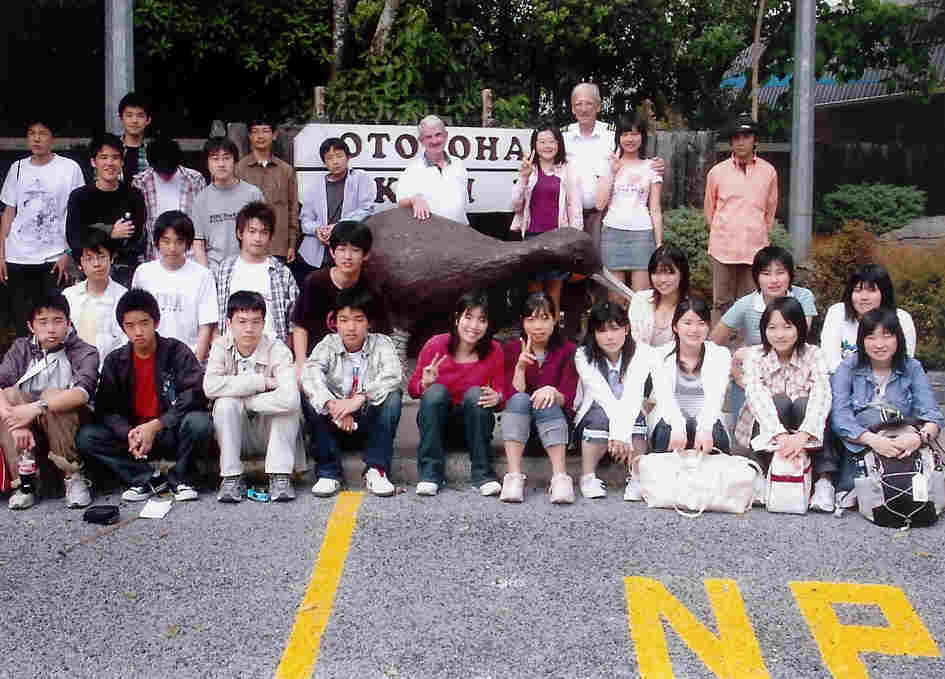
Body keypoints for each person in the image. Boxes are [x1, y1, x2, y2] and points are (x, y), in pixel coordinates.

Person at [78, 288, 211, 502]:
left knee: (200, 422)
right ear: (123, 328)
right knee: (87, 437)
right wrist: (130, 432)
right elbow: (105, 409)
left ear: (156, 322)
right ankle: (145, 479)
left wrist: (156, 425)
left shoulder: (177, 351)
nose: (138, 331)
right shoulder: (115, 361)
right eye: (130, 326)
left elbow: (194, 395)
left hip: (170, 430)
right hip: (135, 437)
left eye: (144, 323)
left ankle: (181, 478)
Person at [830, 308, 944, 510]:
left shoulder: (912, 367)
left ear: (898, 338)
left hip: (904, 443)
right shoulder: (848, 367)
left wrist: (918, 438)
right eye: (871, 337)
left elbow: (932, 415)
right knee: (869, 416)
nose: (879, 344)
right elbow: (840, 418)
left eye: (887, 336)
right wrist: (874, 441)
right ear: (861, 341)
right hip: (861, 445)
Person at [0, 293, 99, 510]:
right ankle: (24, 483)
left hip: (70, 422)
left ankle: (73, 476)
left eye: (57, 321)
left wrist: (36, 408)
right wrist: (16, 423)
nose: (51, 329)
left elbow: (82, 393)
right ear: (31, 326)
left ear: (68, 323)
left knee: (54, 396)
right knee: (9, 395)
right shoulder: (21, 348)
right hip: (28, 424)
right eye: (43, 322)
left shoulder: (84, 351)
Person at [204, 291, 302, 504]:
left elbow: (290, 398)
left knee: (288, 409)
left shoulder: (277, 349)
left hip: (269, 433)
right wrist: (262, 383)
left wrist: (246, 401)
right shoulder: (220, 346)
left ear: (264, 324)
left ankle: (280, 475)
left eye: (256, 322)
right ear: (229, 323)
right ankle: (231, 477)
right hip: (236, 432)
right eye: (242, 321)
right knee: (225, 405)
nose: (249, 328)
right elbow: (210, 387)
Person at [304, 288, 402, 498]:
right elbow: (310, 373)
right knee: (310, 396)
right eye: (344, 320)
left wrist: (359, 398)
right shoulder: (328, 344)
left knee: (393, 395)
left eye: (358, 319)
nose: (351, 327)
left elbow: (393, 374)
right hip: (334, 423)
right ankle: (328, 472)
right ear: (335, 323)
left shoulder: (382, 343)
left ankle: (376, 469)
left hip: (368, 423)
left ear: (369, 322)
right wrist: (332, 405)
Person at [734, 297, 831, 503]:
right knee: (779, 401)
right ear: (764, 329)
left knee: (804, 403)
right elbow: (756, 396)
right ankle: (761, 472)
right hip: (768, 429)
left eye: (787, 327)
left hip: (806, 430)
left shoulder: (814, 354)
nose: (779, 335)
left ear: (799, 327)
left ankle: (824, 481)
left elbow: (822, 394)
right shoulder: (755, 356)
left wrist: (804, 434)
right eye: (772, 327)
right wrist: (780, 435)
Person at [408, 290, 504, 496]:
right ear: (457, 318)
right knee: (435, 392)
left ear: (488, 325)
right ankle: (430, 474)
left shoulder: (494, 350)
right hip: (437, 429)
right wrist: (424, 384)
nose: (474, 326)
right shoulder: (436, 345)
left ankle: (483, 475)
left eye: (482, 320)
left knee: (476, 394)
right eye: (468, 317)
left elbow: (500, 394)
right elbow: (412, 390)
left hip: (475, 428)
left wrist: (498, 397)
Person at [710, 246, 817, 418]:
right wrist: (734, 368)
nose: (774, 280)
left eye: (780, 272)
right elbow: (713, 342)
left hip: (794, 374)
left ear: (790, 275)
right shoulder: (746, 304)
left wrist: (750, 352)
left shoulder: (802, 297)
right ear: (756, 277)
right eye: (766, 274)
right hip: (753, 376)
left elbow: (797, 338)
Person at [1, 118, 85, 336]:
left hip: (54, 257)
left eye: (42, 133)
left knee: (53, 321)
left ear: (53, 138)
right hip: (18, 256)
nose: (36, 138)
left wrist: (68, 252)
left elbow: (77, 214)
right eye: (32, 133)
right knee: (23, 322)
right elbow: (8, 213)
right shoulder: (17, 168)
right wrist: (2, 255)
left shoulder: (69, 168)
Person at [574, 300, 659, 500]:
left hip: (630, 412)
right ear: (593, 334)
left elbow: (632, 395)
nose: (609, 337)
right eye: (602, 331)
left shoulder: (642, 352)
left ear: (626, 329)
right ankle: (588, 476)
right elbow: (602, 395)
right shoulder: (583, 355)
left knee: (637, 416)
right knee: (600, 415)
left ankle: (637, 476)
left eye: (615, 328)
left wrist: (621, 433)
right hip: (594, 414)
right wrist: (620, 433)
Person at [499, 292, 578, 504]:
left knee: (546, 399)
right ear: (523, 321)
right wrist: (520, 368)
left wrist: (552, 392)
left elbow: (570, 398)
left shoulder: (568, 350)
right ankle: (513, 477)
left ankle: (560, 478)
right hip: (521, 435)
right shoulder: (512, 349)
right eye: (531, 319)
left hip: (557, 431)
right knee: (519, 400)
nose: (538, 326)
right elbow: (509, 398)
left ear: (555, 320)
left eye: (544, 318)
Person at [704, 113, 779, 324]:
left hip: (754, 249)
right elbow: (709, 210)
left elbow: (770, 210)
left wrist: (760, 235)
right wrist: (721, 234)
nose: (741, 142)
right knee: (721, 302)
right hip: (723, 249)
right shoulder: (717, 172)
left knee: (751, 302)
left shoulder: (769, 172)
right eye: (736, 137)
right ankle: (718, 343)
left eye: (746, 137)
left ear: (754, 139)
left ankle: (747, 343)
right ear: (731, 141)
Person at [510, 123, 582, 315]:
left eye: (551, 141)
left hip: (558, 240)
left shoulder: (567, 170)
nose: (547, 146)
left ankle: (554, 330)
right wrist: (523, 178)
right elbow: (515, 205)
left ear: (559, 144)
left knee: (554, 293)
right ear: (534, 145)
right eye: (542, 142)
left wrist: (574, 240)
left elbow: (575, 207)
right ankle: (534, 330)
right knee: (534, 295)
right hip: (532, 238)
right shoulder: (529, 169)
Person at [648, 298, 732, 457]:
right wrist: (678, 426)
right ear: (675, 326)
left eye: (701, 323)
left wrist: (704, 428)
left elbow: (715, 398)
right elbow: (664, 397)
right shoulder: (659, 355)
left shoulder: (720, 355)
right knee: (667, 432)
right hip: (670, 417)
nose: (694, 329)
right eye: (687, 323)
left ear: (708, 327)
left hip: (707, 418)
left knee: (714, 434)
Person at [291, 220, 375, 376]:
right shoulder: (314, 282)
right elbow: (300, 326)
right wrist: (301, 364)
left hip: (358, 363)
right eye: (341, 249)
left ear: (366, 254)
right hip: (316, 361)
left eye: (355, 250)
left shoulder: (372, 285)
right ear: (331, 251)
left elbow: (380, 333)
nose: (347, 257)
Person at [131, 211, 218, 362]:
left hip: (187, 358)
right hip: (150, 357)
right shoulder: (143, 273)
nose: (172, 248)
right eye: (166, 241)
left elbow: (206, 326)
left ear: (187, 243)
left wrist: (195, 365)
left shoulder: (203, 276)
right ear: (157, 242)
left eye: (179, 241)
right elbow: (135, 318)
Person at [65, 132, 147, 287]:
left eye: (115, 157)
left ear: (122, 162)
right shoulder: (79, 197)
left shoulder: (134, 196)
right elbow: (74, 238)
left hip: (124, 271)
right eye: (103, 157)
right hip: (88, 270)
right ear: (93, 162)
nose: (109, 163)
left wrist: (93, 232)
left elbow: (135, 239)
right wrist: (110, 232)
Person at [596, 112, 664, 292]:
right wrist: (612, 172)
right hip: (612, 232)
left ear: (642, 137)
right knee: (616, 298)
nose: (630, 139)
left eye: (634, 134)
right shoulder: (609, 164)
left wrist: (659, 244)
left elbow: (655, 209)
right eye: (625, 134)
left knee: (641, 296)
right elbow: (600, 204)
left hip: (642, 234)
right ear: (618, 137)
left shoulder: (652, 167)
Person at [214, 201, 298, 345]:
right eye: (252, 231)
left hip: (272, 349)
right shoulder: (224, 270)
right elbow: (214, 318)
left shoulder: (282, 273)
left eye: (263, 232)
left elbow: (293, 322)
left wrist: (287, 352)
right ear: (240, 233)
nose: (257, 238)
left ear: (270, 236)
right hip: (231, 349)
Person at [297, 138, 376, 284]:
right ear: (324, 162)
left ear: (348, 157)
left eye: (339, 156)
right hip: (316, 255)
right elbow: (305, 220)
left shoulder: (360, 178)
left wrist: (338, 227)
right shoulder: (315, 186)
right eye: (329, 158)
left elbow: (367, 208)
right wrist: (317, 230)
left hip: (348, 251)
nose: (335, 161)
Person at [820, 264, 917, 373]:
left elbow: (905, 362)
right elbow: (831, 361)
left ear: (884, 293)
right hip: (843, 380)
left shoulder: (902, 318)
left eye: (871, 290)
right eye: (857, 290)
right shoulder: (838, 312)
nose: (864, 297)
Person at [192, 137, 264, 271]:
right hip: (215, 270)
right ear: (207, 163)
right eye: (215, 159)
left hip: (247, 268)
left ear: (235, 161)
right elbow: (198, 243)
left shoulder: (253, 194)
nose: (221, 164)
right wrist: (206, 275)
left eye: (226, 158)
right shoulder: (201, 200)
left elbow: (263, 235)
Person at [235, 118, 300, 265]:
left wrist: (291, 244)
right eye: (255, 131)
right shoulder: (238, 170)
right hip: (247, 247)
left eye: (265, 131)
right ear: (249, 136)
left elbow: (293, 208)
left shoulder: (286, 170)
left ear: (274, 135)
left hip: (278, 245)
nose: (260, 136)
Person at [131, 136, 206, 262]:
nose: (166, 176)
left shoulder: (195, 179)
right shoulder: (140, 183)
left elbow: (202, 222)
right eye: (161, 172)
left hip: (190, 256)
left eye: (170, 171)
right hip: (154, 256)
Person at [62, 231, 128, 366]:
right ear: (80, 263)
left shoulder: (124, 297)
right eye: (89, 259)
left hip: (111, 370)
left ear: (112, 258)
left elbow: (126, 342)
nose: (96, 264)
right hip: (73, 369)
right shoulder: (69, 296)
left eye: (102, 257)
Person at [396, 115, 469, 224]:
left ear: (446, 136)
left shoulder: (458, 164)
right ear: (421, 141)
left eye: (438, 135)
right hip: (429, 231)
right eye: (428, 137)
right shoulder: (413, 169)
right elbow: (400, 202)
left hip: (461, 228)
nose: (434, 141)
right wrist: (414, 199)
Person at [629, 245, 690, 350]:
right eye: (656, 273)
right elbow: (633, 341)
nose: (662, 279)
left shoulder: (691, 307)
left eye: (669, 273)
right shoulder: (639, 300)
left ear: (682, 274)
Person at [117, 92, 152, 181]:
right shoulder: (112, 149)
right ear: (121, 118)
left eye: (140, 116)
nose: (134, 120)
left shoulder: (154, 152)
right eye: (129, 115)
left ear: (148, 120)